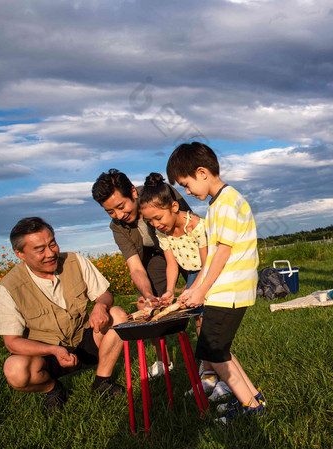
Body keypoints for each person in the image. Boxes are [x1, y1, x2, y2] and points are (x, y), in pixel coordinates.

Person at [166, 142, 265, 423]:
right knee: (220, 351)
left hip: (229, 290)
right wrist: (195, 288)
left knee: (213, 351)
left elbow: (223, 253)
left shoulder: (227, 202)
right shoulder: (218, 204)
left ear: (202, 172)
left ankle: (251, 407)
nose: (187, 192)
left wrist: (203, 290)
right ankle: (253, 399)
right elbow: (212, 258)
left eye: (186, 185)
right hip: (225, 290)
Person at [0, 217, 127, 413]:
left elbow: (104, 295)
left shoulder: (75, 261)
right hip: (48, 354)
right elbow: (12, 342)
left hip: (86, 340)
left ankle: (102, 382)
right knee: (15, 370)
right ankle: (53, 389)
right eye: (40, 250)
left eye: (52, 243)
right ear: (20, 254)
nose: (50, 253)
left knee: (118, 314)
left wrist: (100, 306)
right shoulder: (9, 287)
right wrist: (53, 350)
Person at [91, 169, 190, 377]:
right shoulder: (117, 226)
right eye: (110, 212)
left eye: (120, 206)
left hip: (183, 244)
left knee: (196, 297)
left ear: (134, 193)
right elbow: (135, 267)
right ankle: (164, 361)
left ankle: (209, 363)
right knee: (144, 304)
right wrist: (147, 295)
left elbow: (188, 228)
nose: (119, 215)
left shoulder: (159, 193)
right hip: (156, 254)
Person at [137, 172, 222, 395]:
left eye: (158, 218)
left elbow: (207, 263)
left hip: (209, 272)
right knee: (198, 320)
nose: (156, 224)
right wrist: (169, 291)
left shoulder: (196, 226)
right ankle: (210, 371)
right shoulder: (162, 232)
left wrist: (194, 288)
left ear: (174, 207)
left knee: (207, 320)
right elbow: (172, 265)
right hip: (194, 274)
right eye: (150, 221)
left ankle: (215, 371)